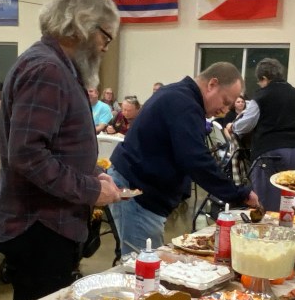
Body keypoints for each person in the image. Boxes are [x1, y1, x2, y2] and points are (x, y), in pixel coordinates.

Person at [0, 0, 123, 300]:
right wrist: (90, 189)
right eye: (105, 37)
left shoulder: (58, 67)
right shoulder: (47, 69)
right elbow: (28, 155)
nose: (105, 48)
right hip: (41, 227)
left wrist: (91, 174)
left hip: (49, 224)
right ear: (82, 25)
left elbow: (57, 145)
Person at [108, 63, 258, 255]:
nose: (225, 110)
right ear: (212, 84)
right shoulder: (183, 103)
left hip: (144, 190)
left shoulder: (181, 97)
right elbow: (195, 160)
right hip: (138, 191)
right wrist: (238, 194)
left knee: (147, 260)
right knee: (143, 264)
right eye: (225, 101)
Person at [230, 58, 295, 213]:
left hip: (272, 151)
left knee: (268, 207)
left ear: (264, 78)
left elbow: (246, 124)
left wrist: (233, 126)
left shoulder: (262, 95)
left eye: (260, 82)